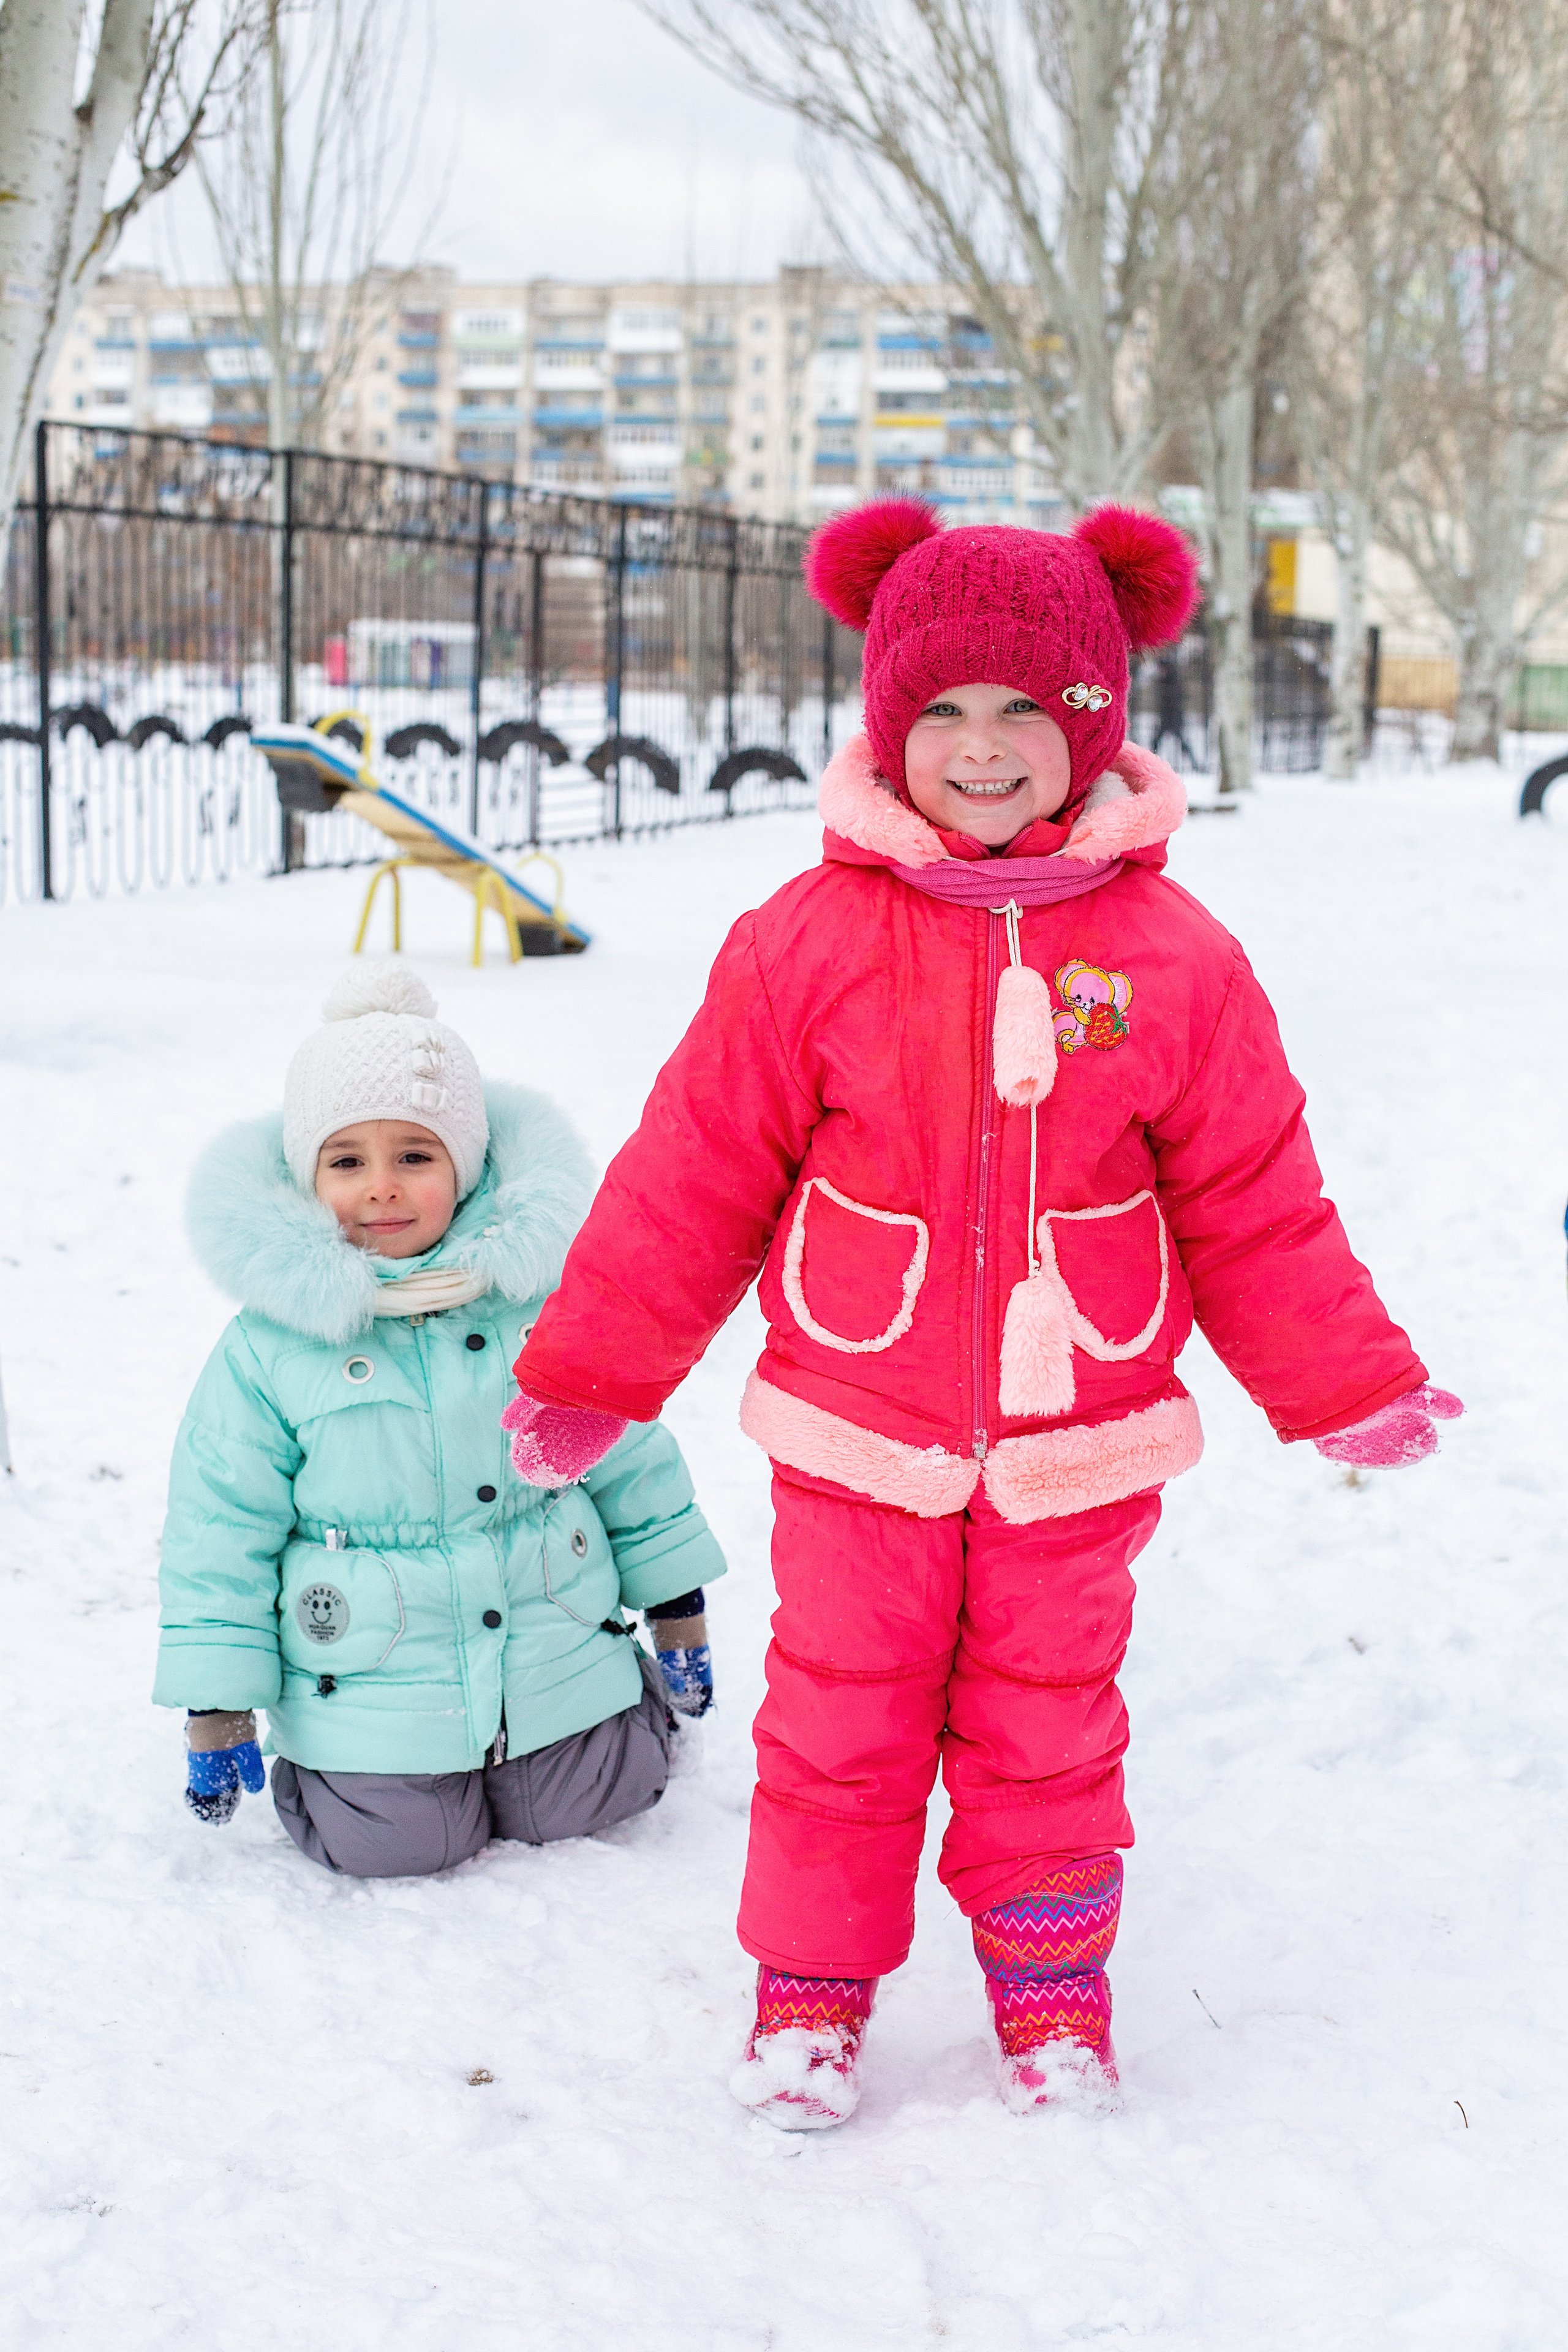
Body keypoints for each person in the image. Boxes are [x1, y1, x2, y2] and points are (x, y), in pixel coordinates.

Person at [500, 500, 1461, 2127]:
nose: (985, 745)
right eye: (941, 709)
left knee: (1047, 1725)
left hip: (1079, 1436)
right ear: (888, 720)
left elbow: (1253, 1192)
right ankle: (810, 1993)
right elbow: (697, 1169)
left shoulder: (1174, 955)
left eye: (1028, 707)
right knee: (839, 1720)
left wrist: (1342, 1377)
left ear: (1096, 721)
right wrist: (598, 1367)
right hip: (859, 1422)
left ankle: (1052, 1990)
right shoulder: (806, 942)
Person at [155, 962, 723, 1878]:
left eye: (415, 1156)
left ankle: (614, 1716)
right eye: (348, 1161)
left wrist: (678, 1607)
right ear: (310, 1179)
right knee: (390, 1847)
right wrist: (217, 1705)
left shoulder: (537, 1301)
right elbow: (221, 1527)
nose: (382, 1187)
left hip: (554, 1663)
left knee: (605, 1792)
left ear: (466, 1165)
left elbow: (629, 1452)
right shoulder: (269, 1349)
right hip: (375, 1686)